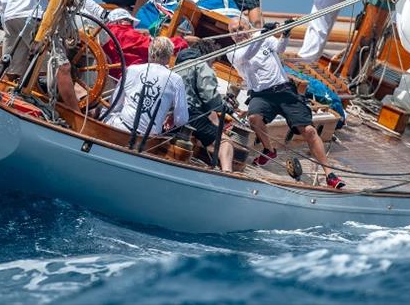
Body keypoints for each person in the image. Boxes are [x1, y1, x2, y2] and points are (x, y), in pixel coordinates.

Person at [226, 17, 345, 189]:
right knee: (254, 118)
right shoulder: (233, 51)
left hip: (284, 90)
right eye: (233, 32)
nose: (237, 34)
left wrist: (286, 33)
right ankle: (269, 150)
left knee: (310, 131)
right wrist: (263, 34)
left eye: (240, 28)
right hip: (261, 94)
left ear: (248, 26)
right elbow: (247, 55)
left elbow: (280, 48)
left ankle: (330, 174)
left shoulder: (264, 37)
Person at [0, 0, 79, 109]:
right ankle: (79, 121)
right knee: (62, 68)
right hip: (31, 16)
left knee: (13, 70)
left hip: (9, 16)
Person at [105, 37, 189, 137]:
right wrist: (173, 118)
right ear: (169, 57)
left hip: (120, 129)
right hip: (147, 139)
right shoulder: (176, 80)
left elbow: (115, 104)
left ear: (150, 52)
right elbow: (181, 120)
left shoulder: (132, 70)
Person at [175, 39, 234, 172]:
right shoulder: (201, 65)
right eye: (213, 62)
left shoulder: (179, 64)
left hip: (172, 111)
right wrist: (224, 107)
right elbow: (211, 99)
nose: (212, 65)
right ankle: (227, 174)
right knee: (225, 142)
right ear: (209, 55)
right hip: (189, 113)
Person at [102, 8, 188, 76]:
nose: (132, 26)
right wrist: (183, 41)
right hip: (137, 78)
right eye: (130, 22)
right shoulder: (124, 34)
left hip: (123, 79)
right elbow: (158, 47)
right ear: (121, 21)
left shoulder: (110, 35)